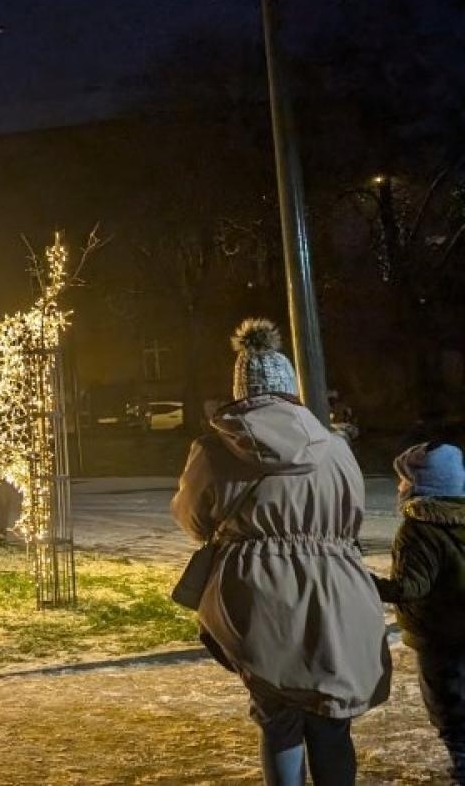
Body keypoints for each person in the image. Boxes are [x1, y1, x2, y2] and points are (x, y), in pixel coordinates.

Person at [171, 319, 391, 786]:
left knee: (278, 718)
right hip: (335, 592)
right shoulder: (335, 447)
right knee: (332, 720)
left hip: (256, 597)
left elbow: (192, 520)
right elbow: (352, 519)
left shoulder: (213, 450)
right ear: (292, 390)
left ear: (240, 390)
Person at [371, 441, 465, 783]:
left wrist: (363, 582)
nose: (399, 486)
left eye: (405, 479)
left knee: (449, 710)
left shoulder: (418, 528)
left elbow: (410, 588)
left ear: (423, 484)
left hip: (438, 636)